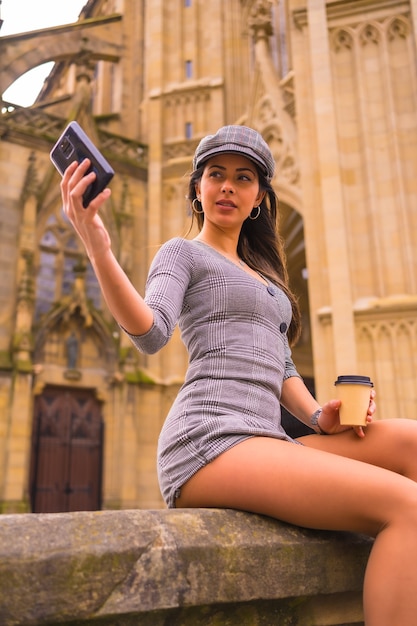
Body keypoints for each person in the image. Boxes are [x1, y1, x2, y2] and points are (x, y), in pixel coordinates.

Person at [61, 125, 417, 626]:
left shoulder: (266, 278)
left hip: (266, 437)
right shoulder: (182, 254)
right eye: (216, 174)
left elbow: (282, 364)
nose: (228, 185)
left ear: (258, 199)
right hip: (209, 439)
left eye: (243, 177)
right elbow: (150, 331)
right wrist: (98, 247)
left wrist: (319, 415)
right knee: (407, 506)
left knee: (411, 442)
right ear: (198, 189)